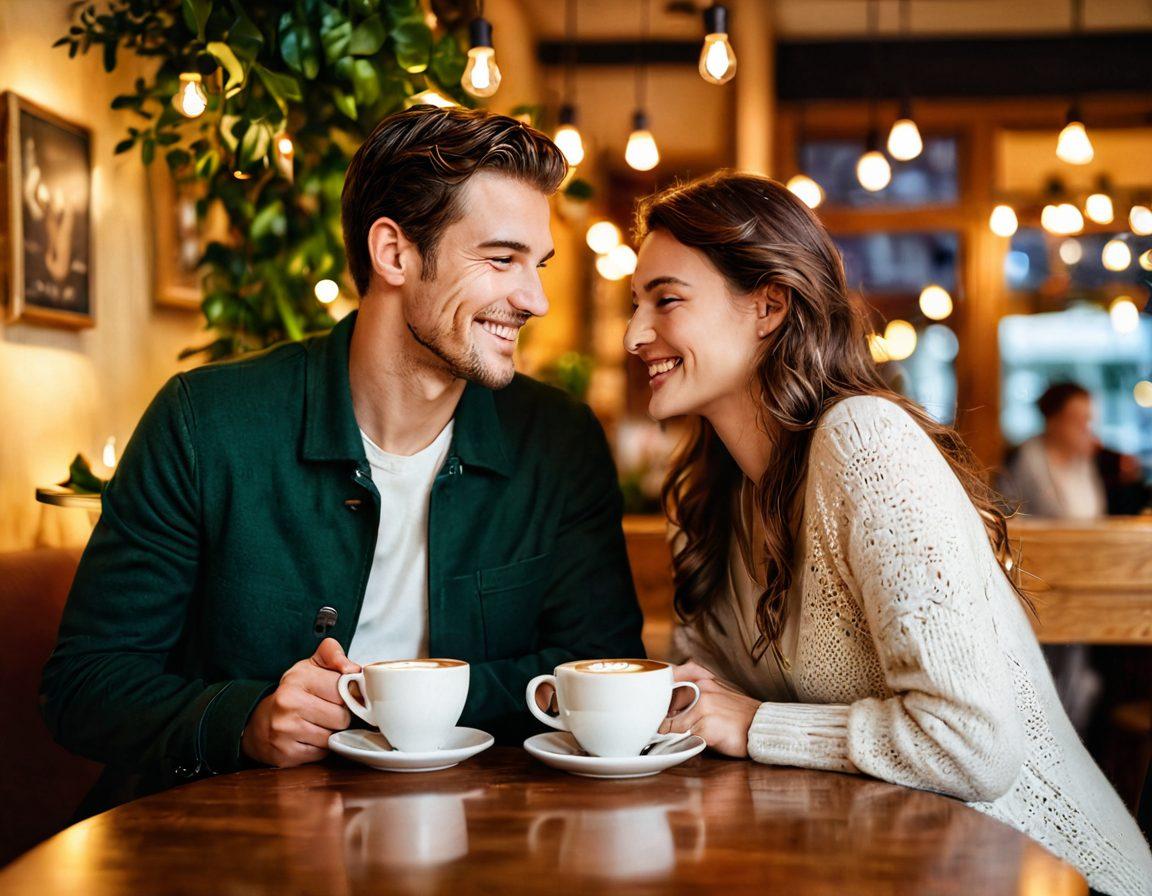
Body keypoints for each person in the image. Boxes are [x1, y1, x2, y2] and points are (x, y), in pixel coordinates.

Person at [41, 106, 644, 814]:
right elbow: (85, 684)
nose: (533, 298)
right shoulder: (205, 424)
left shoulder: (558, 440)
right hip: (225, 840)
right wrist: (248, 719)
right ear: (393, 253)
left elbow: (602, 676)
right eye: (501, 258)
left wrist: (389, 701)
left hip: (483, 838)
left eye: (536, 265)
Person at [623, 171, 1152, 896]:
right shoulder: (712, 493)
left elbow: (971, 747)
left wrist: (756, 728)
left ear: (768, 306)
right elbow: (709, 693)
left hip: (1047, 871)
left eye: (666, 301)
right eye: (634, 304)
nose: (634, 334)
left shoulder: (864, 444)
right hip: (892, 865)